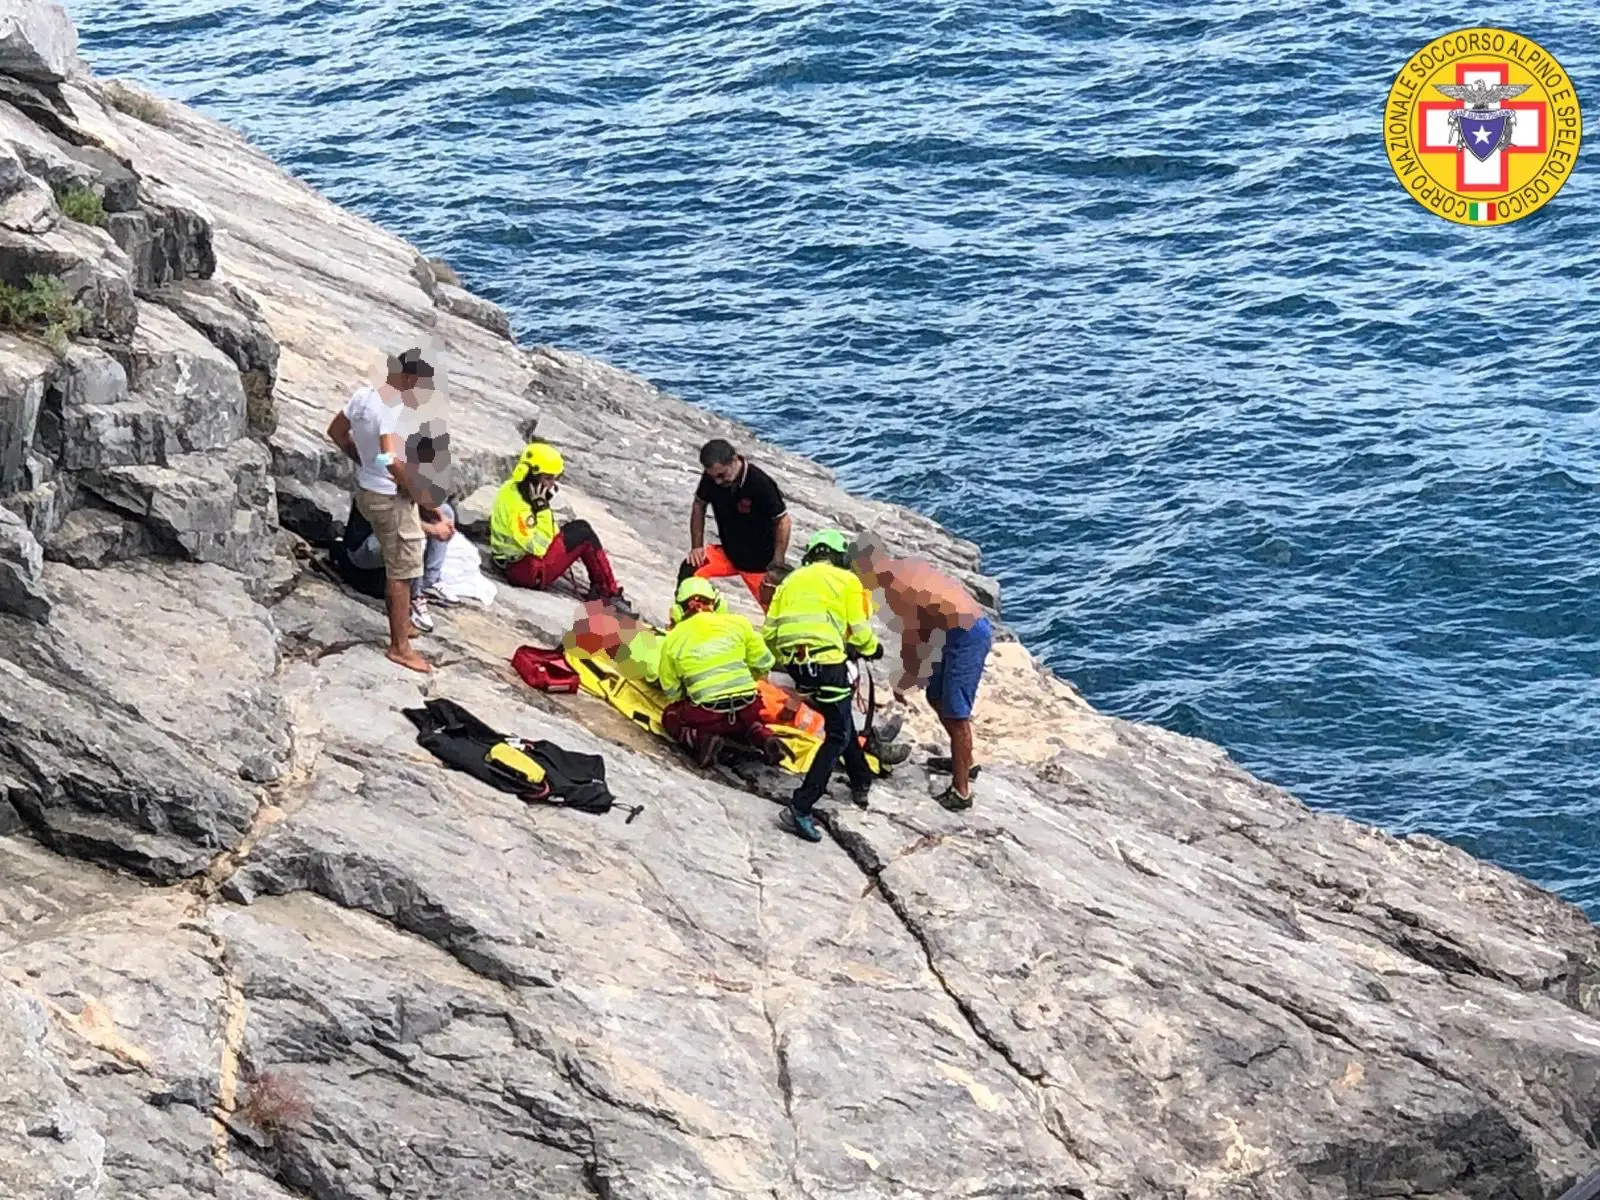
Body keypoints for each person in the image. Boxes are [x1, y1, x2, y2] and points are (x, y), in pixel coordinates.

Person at [852, 535, 993, 811]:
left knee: (957, 712)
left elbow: (915, 634)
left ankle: (961, 791)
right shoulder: (903, 570)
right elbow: (923, 626)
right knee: (936, 696)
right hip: (953, 632)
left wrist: (905, 679)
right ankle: (964, 760)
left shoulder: (897, 586)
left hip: (967, 635)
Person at [763, 529, 881, 842]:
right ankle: (801, 806)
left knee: (838, 717)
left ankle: (861, 779)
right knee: (838, 734)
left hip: (796, 662)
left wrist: (780, 661)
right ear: (838, 555)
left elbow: (770, 632)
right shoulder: (847, 581)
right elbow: (858, 630)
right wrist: (873, 649)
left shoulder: (790, 581)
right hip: (826, 661)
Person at [325, 348, 435, 673]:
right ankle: (400, 646)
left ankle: (403, 627)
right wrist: (410, 485)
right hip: (390, 497)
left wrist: (363, 461)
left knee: (395, 558)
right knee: (401, 570)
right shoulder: (393, 408)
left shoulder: (363, 396)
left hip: (367, 490)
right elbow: (389, 454)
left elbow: (336, 432)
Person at [489, 441, 636, 616]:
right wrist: (542, 509)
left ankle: (605, 590)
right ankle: (608, 594)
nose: (552, 485)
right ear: (531, 477)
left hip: (511, 563)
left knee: (576, 531)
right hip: (527, 572)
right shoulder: (520, 508)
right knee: (584, 534)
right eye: (547, 478)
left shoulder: (509, 489)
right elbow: (539, 547)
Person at [658, 578, 787, 770]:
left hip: (708, 715)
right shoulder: (739, 623)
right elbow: (765, 663)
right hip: (747, 706)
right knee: (750, 721)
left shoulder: (672, 639)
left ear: (678, 610)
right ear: (717, 603)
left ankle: (703, 741)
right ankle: (763, 737)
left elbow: (671, 691)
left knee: (670, 716)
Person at [681, 439, 791, 610]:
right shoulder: (712, 478)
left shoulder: (760, 483)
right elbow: (699, 503)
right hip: (729, 554)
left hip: (759, 565)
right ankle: (688, 620)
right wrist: (696, 546)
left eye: (721, 475)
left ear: (734, 461)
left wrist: (777, 564)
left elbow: (783, 521)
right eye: (712, 476)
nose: (717, 481)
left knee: (776, 610)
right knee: (690, 569)